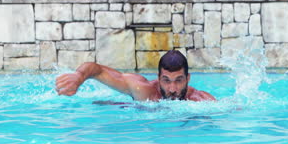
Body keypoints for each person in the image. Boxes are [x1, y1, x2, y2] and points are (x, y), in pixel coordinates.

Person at [55, 50, 216, 101]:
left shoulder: (201, 100)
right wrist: (78, 76)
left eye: (178, 80)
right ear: (158, 78)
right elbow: (97, 69)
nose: (172, 89)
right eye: (166, 81)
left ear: (188, 78)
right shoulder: (144, 90)